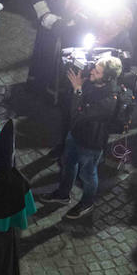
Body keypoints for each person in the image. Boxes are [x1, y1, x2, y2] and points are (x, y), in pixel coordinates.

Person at [44, 54, 124, 219]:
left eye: (98, 71)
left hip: (91, 143)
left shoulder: (109, 100)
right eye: (95, 67)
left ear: (108, 77)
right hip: (75, 134)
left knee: (87, 174)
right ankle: (63, 195)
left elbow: (78, 114)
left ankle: (87, 202)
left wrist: (77, 89)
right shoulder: (93, 81)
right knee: (68, 163)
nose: (92, 72)